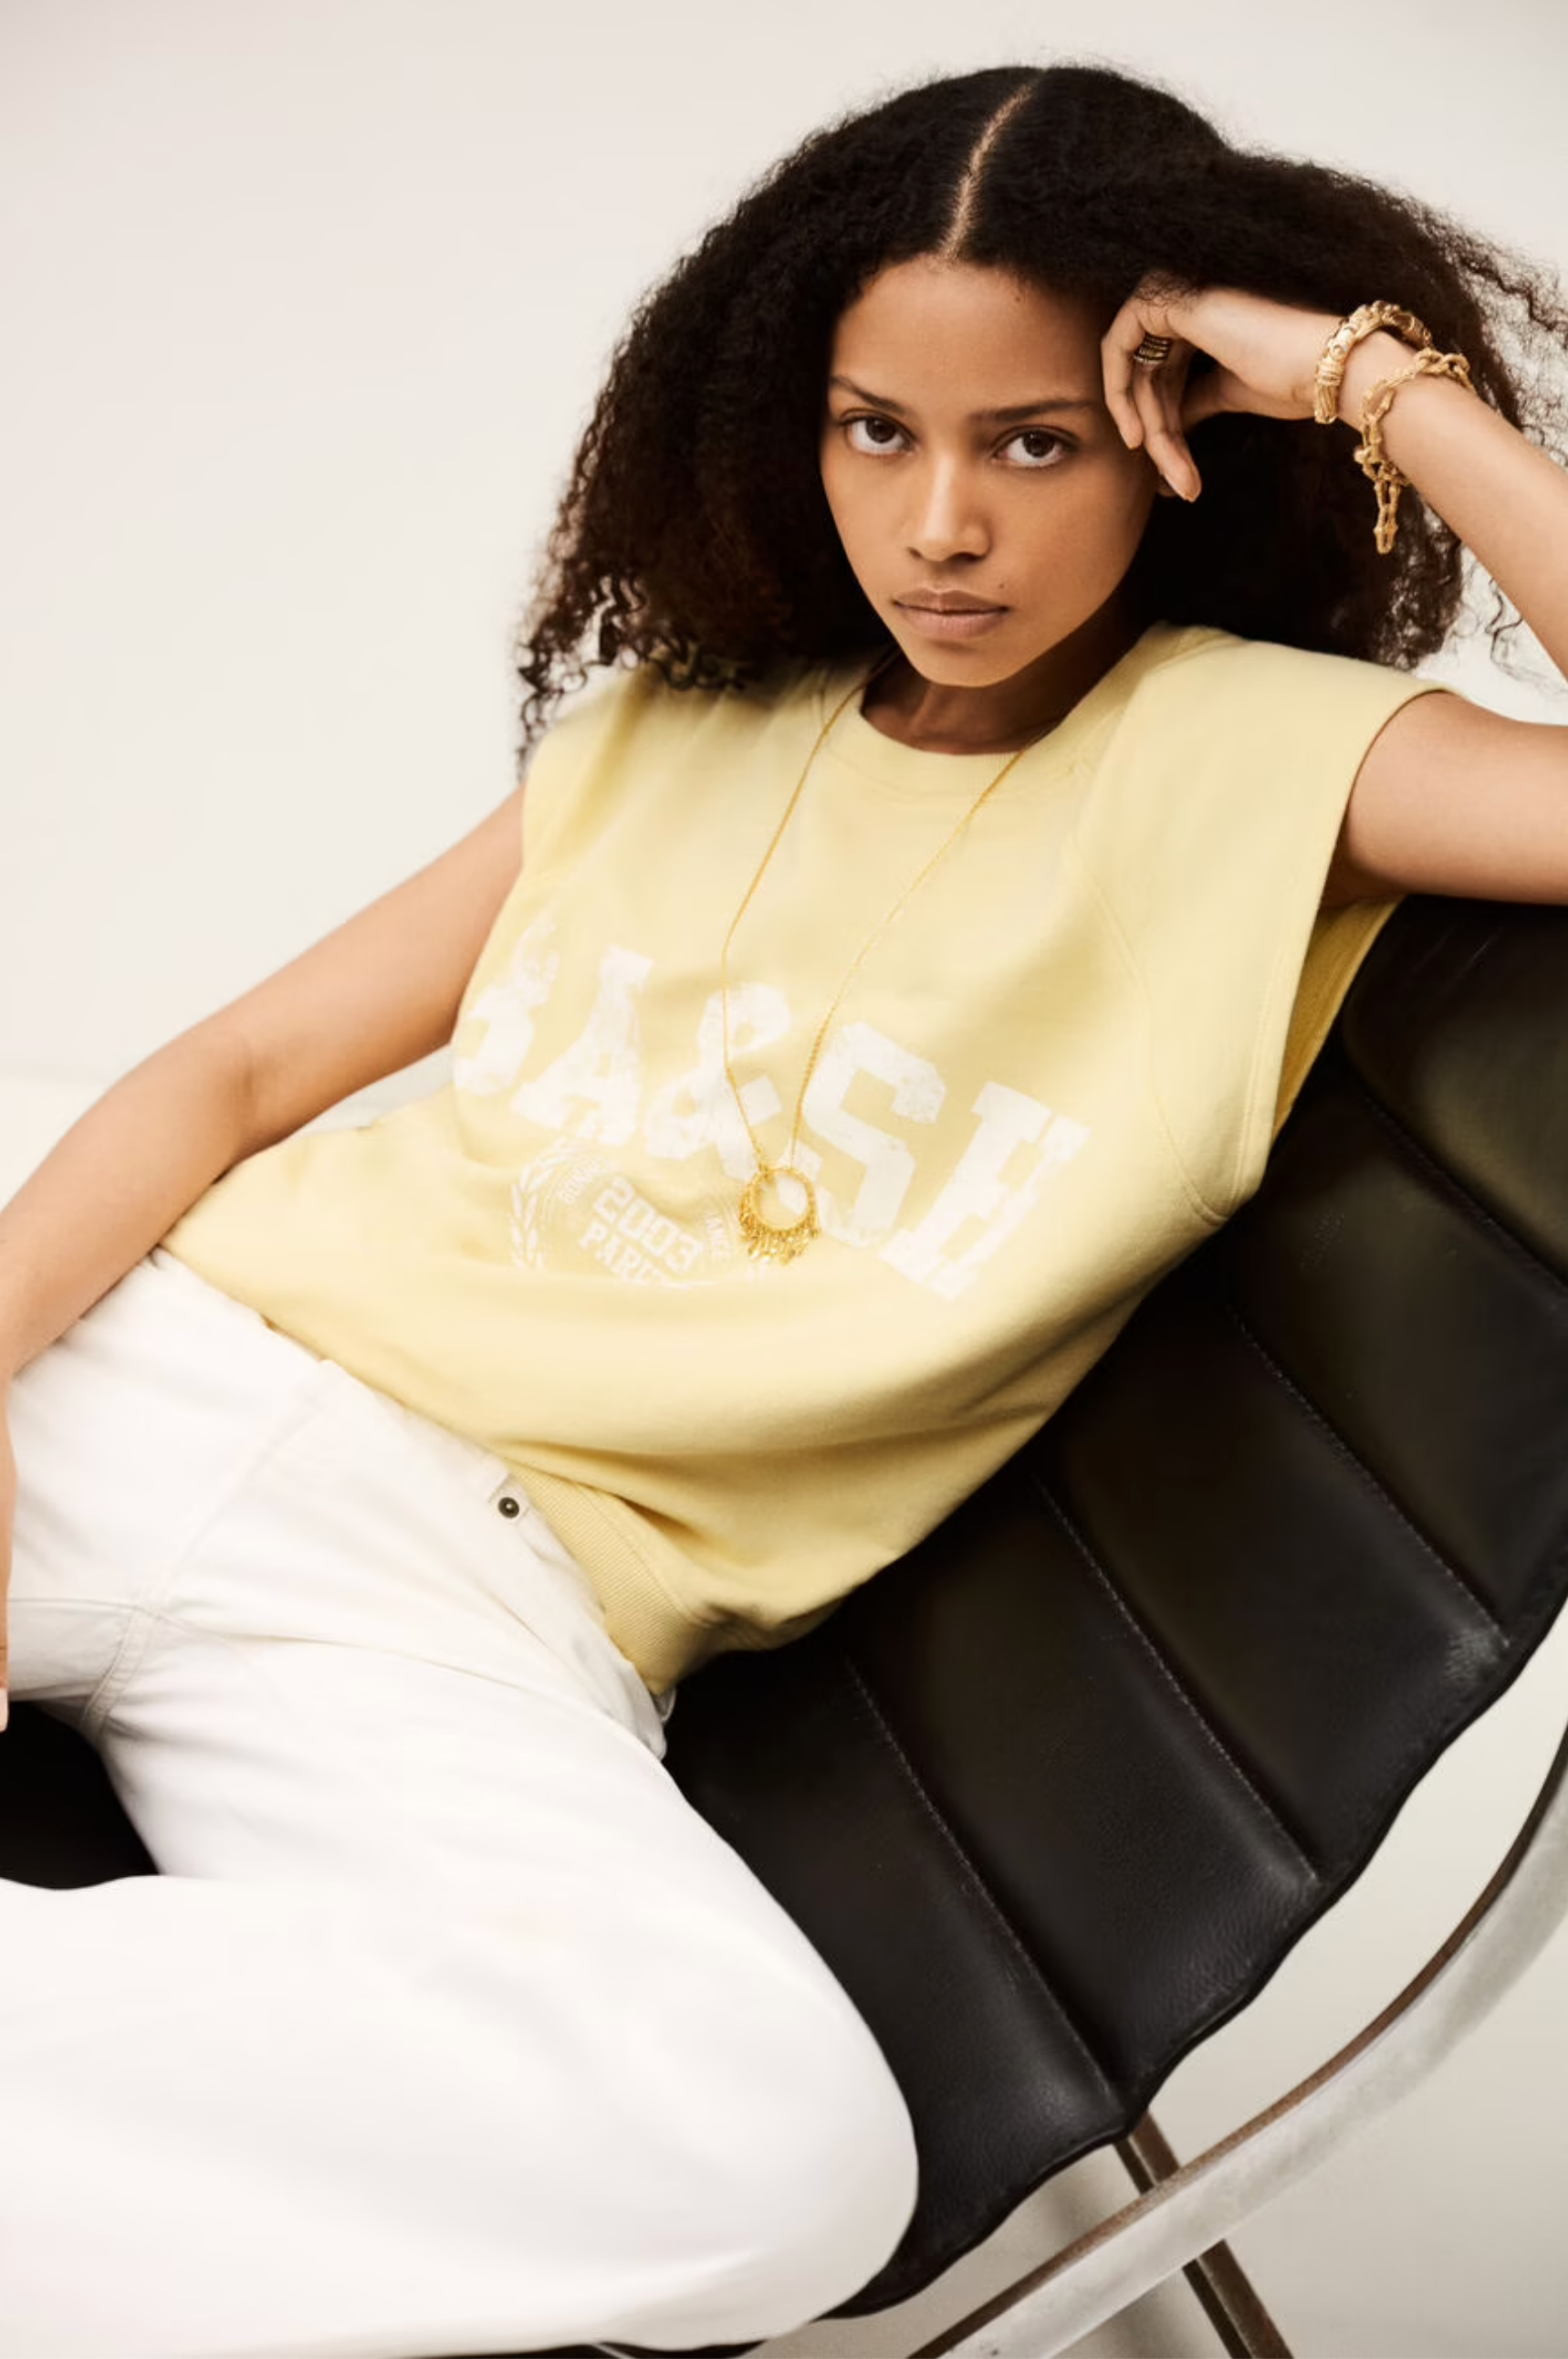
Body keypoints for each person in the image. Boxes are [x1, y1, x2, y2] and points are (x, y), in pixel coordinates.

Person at [4, 53, 1567, 2359]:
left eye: (1033, 441)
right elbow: (230, 1075)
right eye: (874, 430)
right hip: (149, 1372)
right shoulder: (681, 721)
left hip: (469, 1598)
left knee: (769, 2154)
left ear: (1172, 439)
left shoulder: (1265, 763)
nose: (940, 525)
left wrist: (1367, 380)